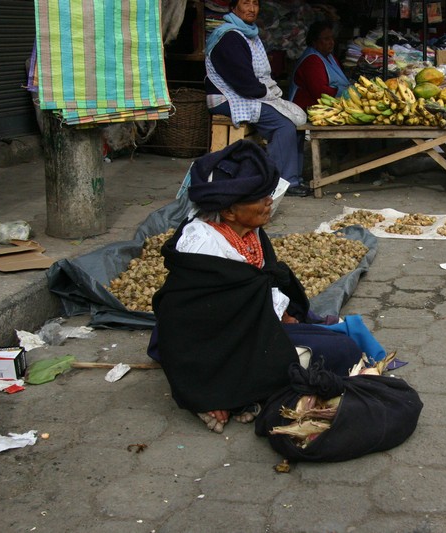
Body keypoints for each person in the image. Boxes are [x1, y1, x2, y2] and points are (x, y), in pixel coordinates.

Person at [152, 141, 365, 434]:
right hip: (211, 345)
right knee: (334, 354)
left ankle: (247, 392)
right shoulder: (202, 245)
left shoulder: (249, 231)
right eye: (260, 197)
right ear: (228, 211)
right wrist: (204, 390)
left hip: (251, 330)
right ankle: (228, 395)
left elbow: (258, 287)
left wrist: (281, 311)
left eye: (268, 193)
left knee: (344, 347)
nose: (270, 201)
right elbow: (189, 324)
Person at [204, 0, 312, 197]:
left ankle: (294, 176)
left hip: (246, 94)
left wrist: (267, 93)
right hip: (226, 98)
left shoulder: (248, 34)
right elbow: (243, 82)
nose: (251, 8)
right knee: (283, 124)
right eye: (245, 3)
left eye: (255, 3)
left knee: (296, 120)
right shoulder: (229, 37)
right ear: (233, 7)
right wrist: (265, 93)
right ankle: (281, 182)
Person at [288, 20, 351, 111]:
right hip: (306, 109)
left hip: (328, 105)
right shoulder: (312, 60)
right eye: (326, 39)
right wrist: (344, 92)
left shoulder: (330, 57)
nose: (331, 42)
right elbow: (320, 92)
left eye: (332, 38)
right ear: (314, 42)